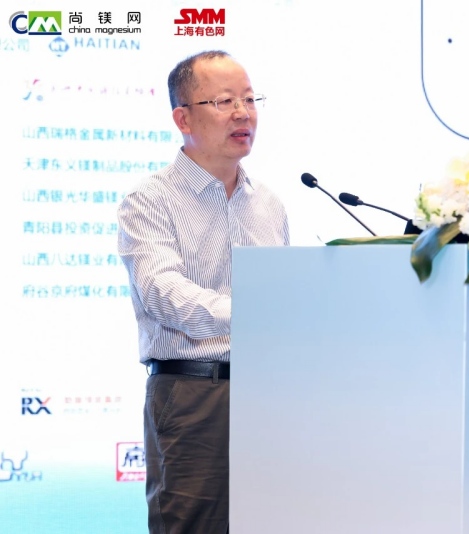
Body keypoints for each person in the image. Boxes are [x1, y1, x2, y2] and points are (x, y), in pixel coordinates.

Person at [117, 50, 289, 533]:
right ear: (183, 118)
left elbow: (283, 299)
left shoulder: (269, 204)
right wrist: (255, 312)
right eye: (224, 101)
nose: (243, 113)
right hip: (195, 396)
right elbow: (163, 293)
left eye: (250, 99)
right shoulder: (149, 200)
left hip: (273, 393)